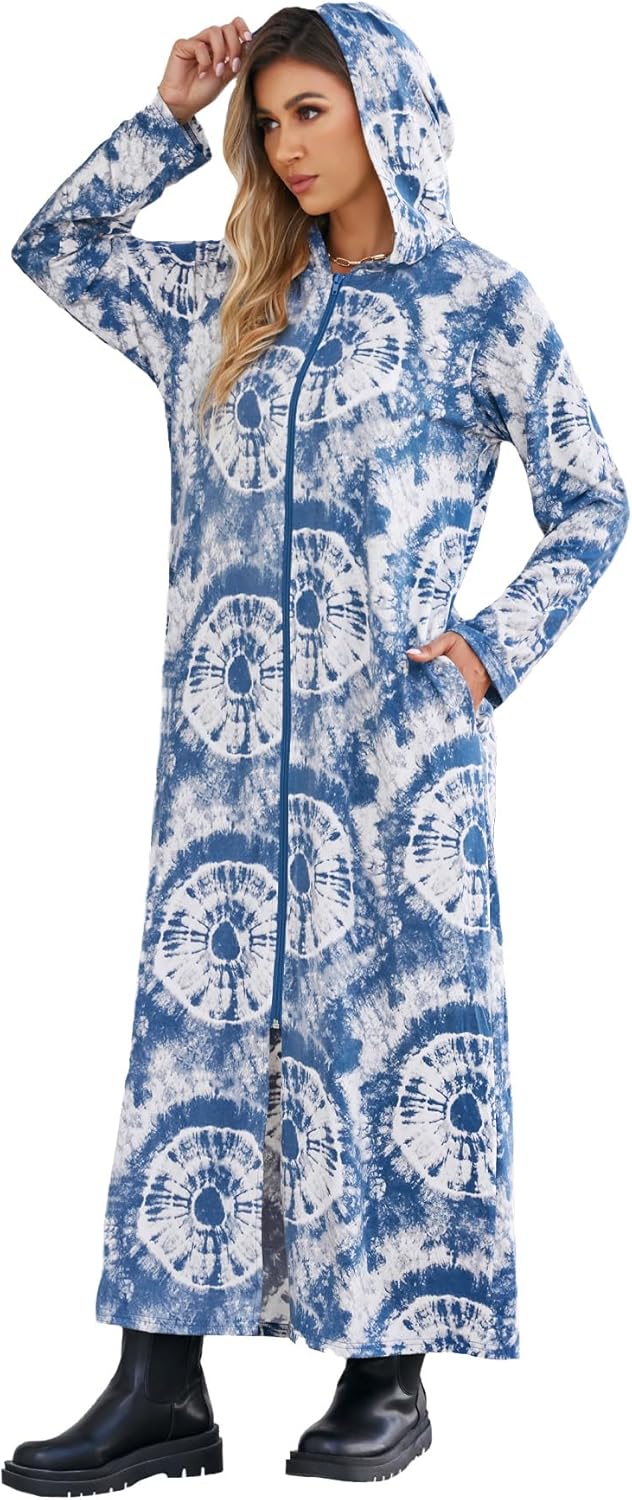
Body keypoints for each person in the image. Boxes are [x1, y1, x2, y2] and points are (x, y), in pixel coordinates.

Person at [4, 1, 628, 1490]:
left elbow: (594, 498)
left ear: (384, 111)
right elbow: (54, 247)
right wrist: (168, 115)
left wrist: (492, 647)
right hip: (222, 770)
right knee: (199, 1047)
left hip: (395, 759)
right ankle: (161, 1383)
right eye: (268, 119)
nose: (284, 146)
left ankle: (389, 1376)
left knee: (393, 1040)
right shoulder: (223, 297)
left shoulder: (481, 302)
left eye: (311, 112)